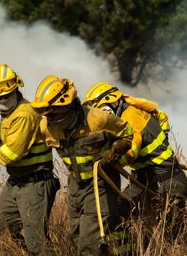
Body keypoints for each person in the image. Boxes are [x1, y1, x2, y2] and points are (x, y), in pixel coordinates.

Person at [31, 75, 133, 255]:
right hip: (76, 187)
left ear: (68, 104)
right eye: (46, 113)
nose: (49, 117)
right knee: (77, 237)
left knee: (89, 244)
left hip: (100, 184)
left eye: (53, 112)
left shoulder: (97, 119)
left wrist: (113, 152)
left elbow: (128, 133)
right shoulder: (46, 127)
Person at [83, 82, 187, 238]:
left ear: (113, 102)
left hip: (167, 180)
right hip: (144, 177)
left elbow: (131, 150)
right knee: (121, 210)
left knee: (169, 231)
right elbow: (162, 117)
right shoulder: (133, 108)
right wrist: (161, 138)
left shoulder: (130, 118)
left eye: (103, 111)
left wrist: (112, 160)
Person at [0, 64, 59, 256]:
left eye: (7, 93)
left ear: (16, 88)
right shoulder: (9, 114)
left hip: (35, 182)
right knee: (2, 231)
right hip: (16, 182)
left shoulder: (23, 114)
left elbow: (10, 155)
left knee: (37, 243)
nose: (3, 97)